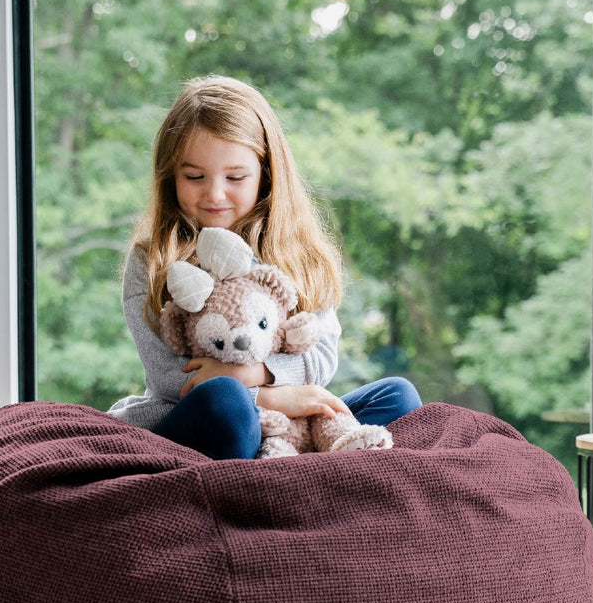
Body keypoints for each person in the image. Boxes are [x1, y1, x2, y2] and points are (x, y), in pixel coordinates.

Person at [108, 75, 421, 459]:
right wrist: (274, 396)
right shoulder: (152, 258)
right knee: (226, 399)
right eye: (194, 177)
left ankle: (292, 459)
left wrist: (256, 376)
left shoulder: (300, 253)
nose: (215, 193)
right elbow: (173, 379)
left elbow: (320, 359)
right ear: (170, 176)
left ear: (266, 173)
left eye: (235, 177)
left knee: (398, 396)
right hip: (201, 419)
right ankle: (278, 473)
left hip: (292, 424)